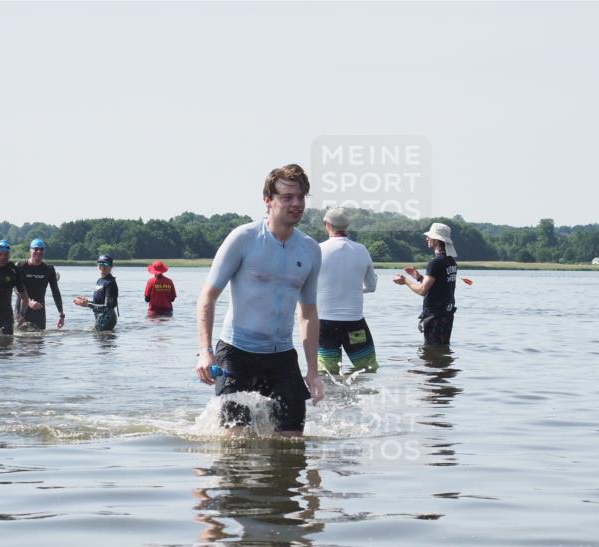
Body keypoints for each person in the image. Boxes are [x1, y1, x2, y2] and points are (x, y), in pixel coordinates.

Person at [195, 163, 324, 436]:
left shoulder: (311, 249)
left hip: (281, 357)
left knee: (292, 443)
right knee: (236, 444)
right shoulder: (243, 238)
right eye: (287, 197)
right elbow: (208, 296)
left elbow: (309, 312)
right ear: (268, 201)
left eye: (301, 197)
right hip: (236, 353)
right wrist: (205, 351)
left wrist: (313, 370)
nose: (296, 203)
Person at [316, 206, 378, 374]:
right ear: (347, 225)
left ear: (326, 224)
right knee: (367, 370)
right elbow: (372, 286)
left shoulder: (317, 250)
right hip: (354, 323)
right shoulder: (362, 250)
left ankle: (331, 401)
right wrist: (355, 289)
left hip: (324, 323)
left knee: (327, 375)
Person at [393, 222, 458, 345]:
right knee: (443, 350)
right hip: (447, 315)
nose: (427, 238)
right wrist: (418, 277)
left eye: (430, 236)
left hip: (435, 317)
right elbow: (439, 286)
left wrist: (405, 281)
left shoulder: (435, 262)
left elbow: (423, 290)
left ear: (437, 241)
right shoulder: (451, 261)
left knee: (431, 355)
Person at [14, 238, 65, 330]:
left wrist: (61, 314)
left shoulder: (48, 269)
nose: (38, 251)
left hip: (39, 312)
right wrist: (28, 302)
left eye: (41, 249)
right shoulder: (20, 266)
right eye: (36, 249)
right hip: (22, 310)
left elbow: (55, 292)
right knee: (20, 341)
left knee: (39, 341)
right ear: (30, 250)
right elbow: (16, 289)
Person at [73, 254, 119, 330]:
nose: (102, 266)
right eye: (100, 263)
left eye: (105, 264)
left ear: (111, 266)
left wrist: (88, 305)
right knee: (97, 339)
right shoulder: (100, 281)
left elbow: (107, 307)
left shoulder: (110, 283)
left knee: (100, 339)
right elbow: (99, 302)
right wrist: (87, 301)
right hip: (100, 317)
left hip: (108, 319)